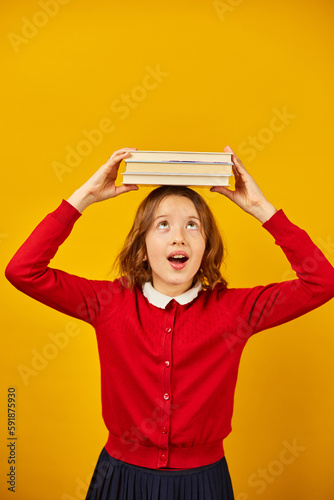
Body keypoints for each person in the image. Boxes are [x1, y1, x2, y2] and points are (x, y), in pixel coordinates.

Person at [5, 145, 334, 500]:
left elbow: (322, 283)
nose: (179, 236)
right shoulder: (108, 304)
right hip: (119, 479)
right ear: (142, 246)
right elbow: (23, 271)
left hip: (203, 483)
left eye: (192, 226)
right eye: (163, 225)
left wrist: (260, 208)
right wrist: (83, 197)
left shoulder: (235, 311)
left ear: (206, 246)